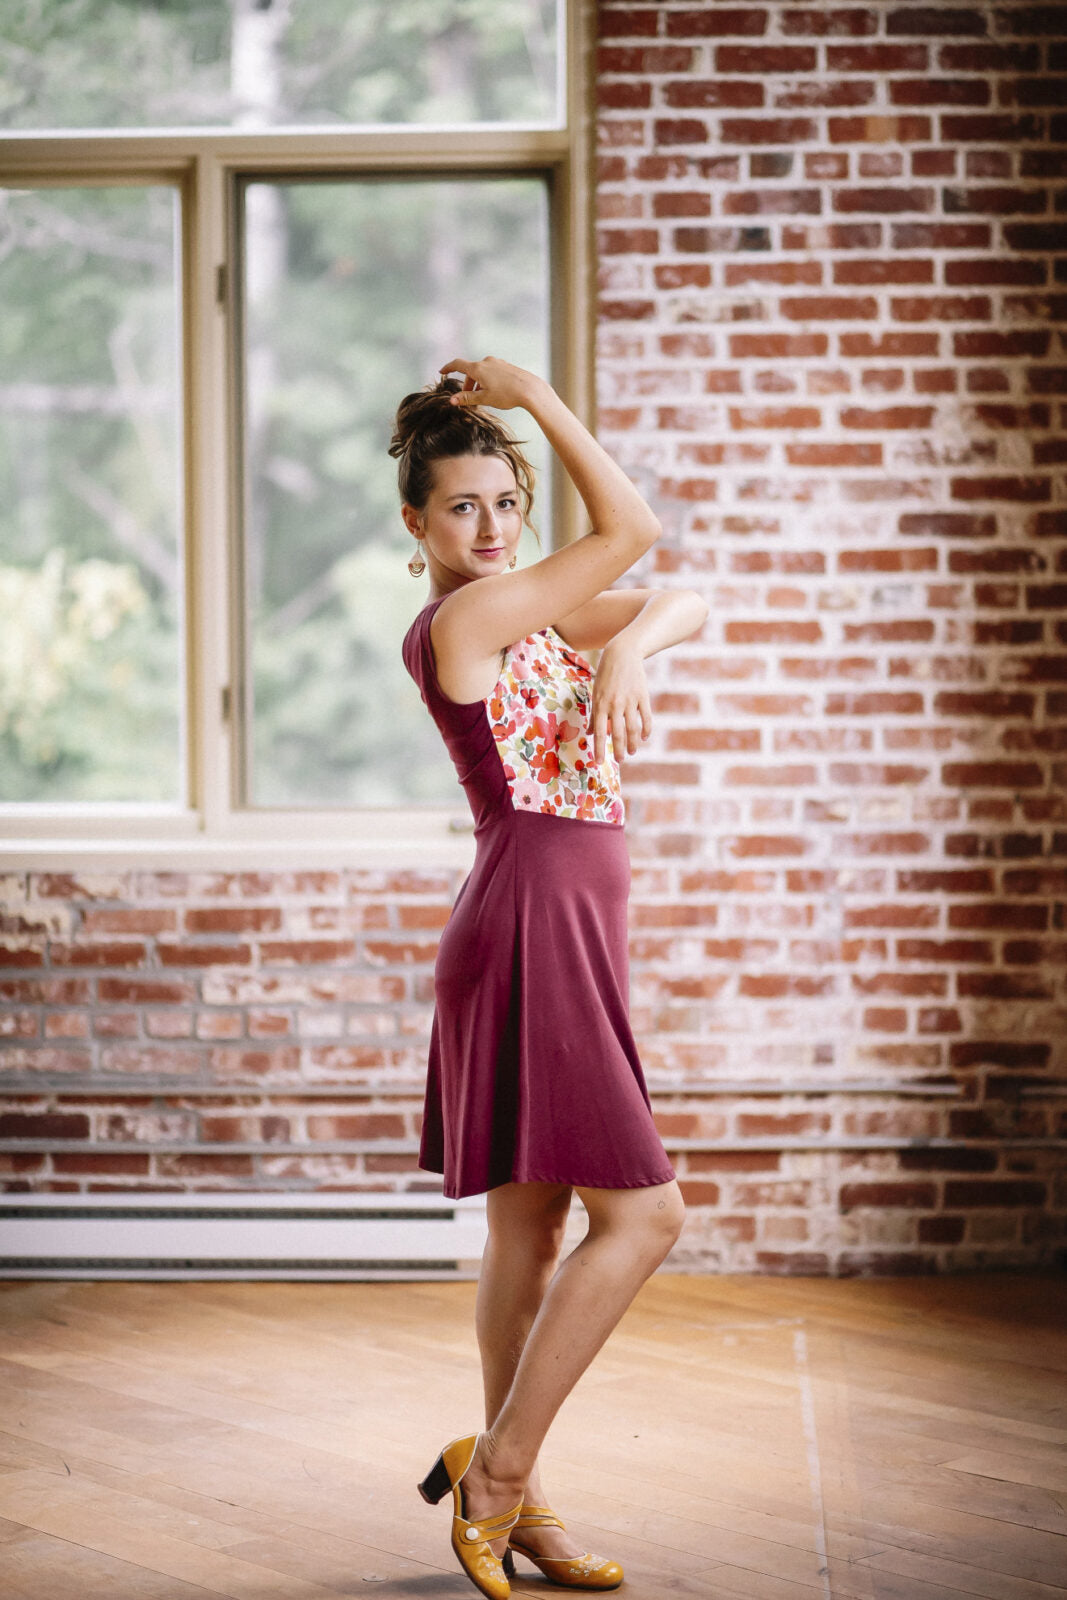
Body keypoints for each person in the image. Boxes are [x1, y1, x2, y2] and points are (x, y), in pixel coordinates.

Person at [392, 356, 708, 1599]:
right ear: (413, 522)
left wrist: (631, 655)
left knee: (527, 1226)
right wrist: (531, 394)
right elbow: (634, 533)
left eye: (505, 503)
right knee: (647, 1214)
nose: (489, 528)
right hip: (528, 917)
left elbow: (677, 595)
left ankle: (515, 1487)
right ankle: (503, 1472)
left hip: (553, 918)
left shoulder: (531, 613)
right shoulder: (467, 620)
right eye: (461, 508)